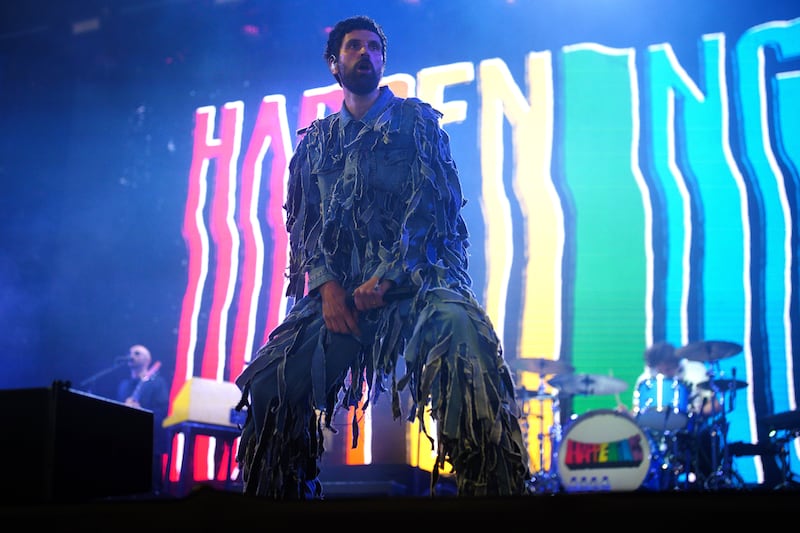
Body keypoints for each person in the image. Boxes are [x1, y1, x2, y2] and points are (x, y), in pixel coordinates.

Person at [233, 15, 531, 499]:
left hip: (420, 285)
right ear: (335, 62)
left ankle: (495, 497)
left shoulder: (417, 124)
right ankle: (278, 502)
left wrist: (391, 275)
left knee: (466, 347)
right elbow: (306, 228)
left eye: (374, 47)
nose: (365, 54)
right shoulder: (315, 144)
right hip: (344, 297)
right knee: (271, 383)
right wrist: (327, 288)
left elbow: (434, 211)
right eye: (354, 46)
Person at [631, 341, 722, 489]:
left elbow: (716, 405)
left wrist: (697, 415)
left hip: (695, 431)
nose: (664, 370)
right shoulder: (645, 379)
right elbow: (638, 412)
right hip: (657, 436)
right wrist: (626, 415)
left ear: (676, 361)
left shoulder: (695, 370)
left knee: (708, 441)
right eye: (660, 366)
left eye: (668, 366)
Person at [116, 344, 170, 495]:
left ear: (147, 360)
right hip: (126, 445)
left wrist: (141, 411)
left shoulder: (157, 383)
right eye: (130, 353)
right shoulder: (123, 385)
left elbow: (162, 412)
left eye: (137, 353)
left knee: (149, 489)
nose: (131, 356)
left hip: (150, 445)